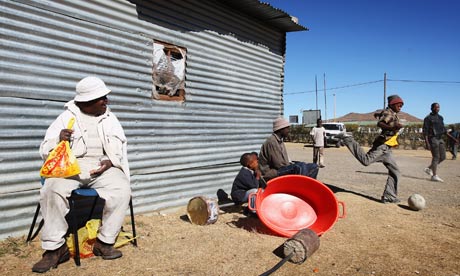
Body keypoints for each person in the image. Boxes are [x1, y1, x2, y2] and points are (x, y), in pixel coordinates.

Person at [33, 77, 131, 273]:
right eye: (101, 98)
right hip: (71, 167)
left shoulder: (109, 117)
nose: (106, 101)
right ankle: (55, 249)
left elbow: (119, 147)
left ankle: (104, 242)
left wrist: (110, 161)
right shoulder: (65, 117)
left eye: (105, 97)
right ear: (87, 101)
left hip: (100, 167)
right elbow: (45, 149)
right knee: (52, 189)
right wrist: (59, 140)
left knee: (122, 189)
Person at [337, 95, 404, 204]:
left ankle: (389, 196)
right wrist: (392, 127)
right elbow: (380, 123)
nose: (400, 107)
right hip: (382, 147)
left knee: (395, 171)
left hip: (387, 149)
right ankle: (348, 139)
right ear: (392, 104)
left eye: (401, 106)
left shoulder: (392, 114)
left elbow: (383, 117)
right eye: (399, 105)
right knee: (365, 161)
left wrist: (379, 114)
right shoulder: (389, 113)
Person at [259, 117, 319, 181]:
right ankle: (300, 187)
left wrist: (292, 164)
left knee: (314, 166)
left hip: (280, 168)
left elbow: (285, 161)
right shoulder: (272, 142)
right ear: (281, 129)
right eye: (287, 128)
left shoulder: (280, 141)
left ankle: (309, 186)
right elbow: (279, 164)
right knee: (299, 167)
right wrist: (292, 166)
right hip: (272, 172)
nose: (288, 130)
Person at [423, 103, 447, 182]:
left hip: (440, 139)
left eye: (438, 107)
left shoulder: (440, 118)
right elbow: (425, 132)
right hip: (432, 139)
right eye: (436, 107)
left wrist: (454, 139)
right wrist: (427, 143)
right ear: (432, 108)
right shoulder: (428, 118)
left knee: (443, 157)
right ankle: (434, 176)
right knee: (436, 157)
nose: (437, 108)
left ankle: (429, 168)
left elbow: (444, 130)